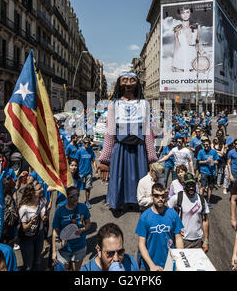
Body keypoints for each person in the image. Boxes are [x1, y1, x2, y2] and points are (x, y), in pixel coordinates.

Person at [98, 72, 157, 215]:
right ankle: (118, 202)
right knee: (119, 176)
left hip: (139, 149)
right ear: (119, 83)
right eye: (125, 80)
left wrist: (151, 158)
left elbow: (147, 131)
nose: (128, 84)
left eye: (132, 80)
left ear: (137, 84)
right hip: (120, 149)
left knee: (140, 177)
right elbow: (110, 132)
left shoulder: (144, 104)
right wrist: (105, 160)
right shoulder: (114, 104)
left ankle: (138, 202)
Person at [135, 183, 184, 271]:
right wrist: (151, 265)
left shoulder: (172, 214)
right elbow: (141, 244)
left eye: (162, 196)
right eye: (157, 196)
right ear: (151, 196)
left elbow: (178, 239)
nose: (160, 199)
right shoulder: (144, 217)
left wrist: (179, 261)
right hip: (149, 266)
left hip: (169, 264)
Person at [52, 186, 91, 271]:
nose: (75, 198)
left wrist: (83, 229)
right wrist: (54, 251)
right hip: (64, 249)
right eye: (72, 196)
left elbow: (88, 223)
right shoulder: (60, 211)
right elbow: (55, 231)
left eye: (77, 195)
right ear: (67, 197)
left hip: (79, 247)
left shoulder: (83, 207)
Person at [168, 173, 210, 252]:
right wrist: (174, 227)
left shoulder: (201, 200)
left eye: (193, 185)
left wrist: (206, 241)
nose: (191, 188)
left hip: (198, 241)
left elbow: (205, 220)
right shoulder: (178, 197)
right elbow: (166, 211)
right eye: (188, 185)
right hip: (182, 240)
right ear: (184, 185)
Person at [18, 182, 47, 271]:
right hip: (27, 238)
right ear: (32, 193)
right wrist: (31, 222)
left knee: (37, 260)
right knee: (28, 265)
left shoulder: (42, 201)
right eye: (39, 189)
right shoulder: (24, 208)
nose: (42, 189)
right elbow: (24, 228)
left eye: (41, 187)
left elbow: (43, 218)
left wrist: (44, 218)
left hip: (39, 233)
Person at [171, 5, 199, 73]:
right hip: (180, 55)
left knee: (194, 80)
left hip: (193, 55)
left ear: (190, 13)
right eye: (183, 13)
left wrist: (199, 58)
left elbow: (197, 44)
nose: (185, 15)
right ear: (180, 15)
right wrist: (173, 62)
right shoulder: (177, 29)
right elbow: (176, 46)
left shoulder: (196, 27)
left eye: (187, 12)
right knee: (179, 79)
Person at [74, 138, 97, 209]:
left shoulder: (91, 151)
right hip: (80, 173)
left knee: (88, 188)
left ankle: (87, 201)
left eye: (88, 143)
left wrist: (96, 170)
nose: (87, 144)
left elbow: (93, 161)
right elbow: (75, 162)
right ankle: (75, 202)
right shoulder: (79, 151)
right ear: (83, 143)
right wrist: (75, 172)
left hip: (89, 172)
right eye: (85, 143)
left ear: (90, 143)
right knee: (77, 188)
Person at [197, 139, 219, 207]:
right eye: (204, 144)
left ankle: (208, 201)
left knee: (210, 187)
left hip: (212, 172)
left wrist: (211, 161)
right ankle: (201, 201)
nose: (206, 146)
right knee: (203, 187)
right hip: (204, 171)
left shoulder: (214, 152)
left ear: (210, 144)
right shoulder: (201, 151)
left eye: (207, 144)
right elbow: (199, 161)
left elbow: (217, 161)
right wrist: (206, 161)